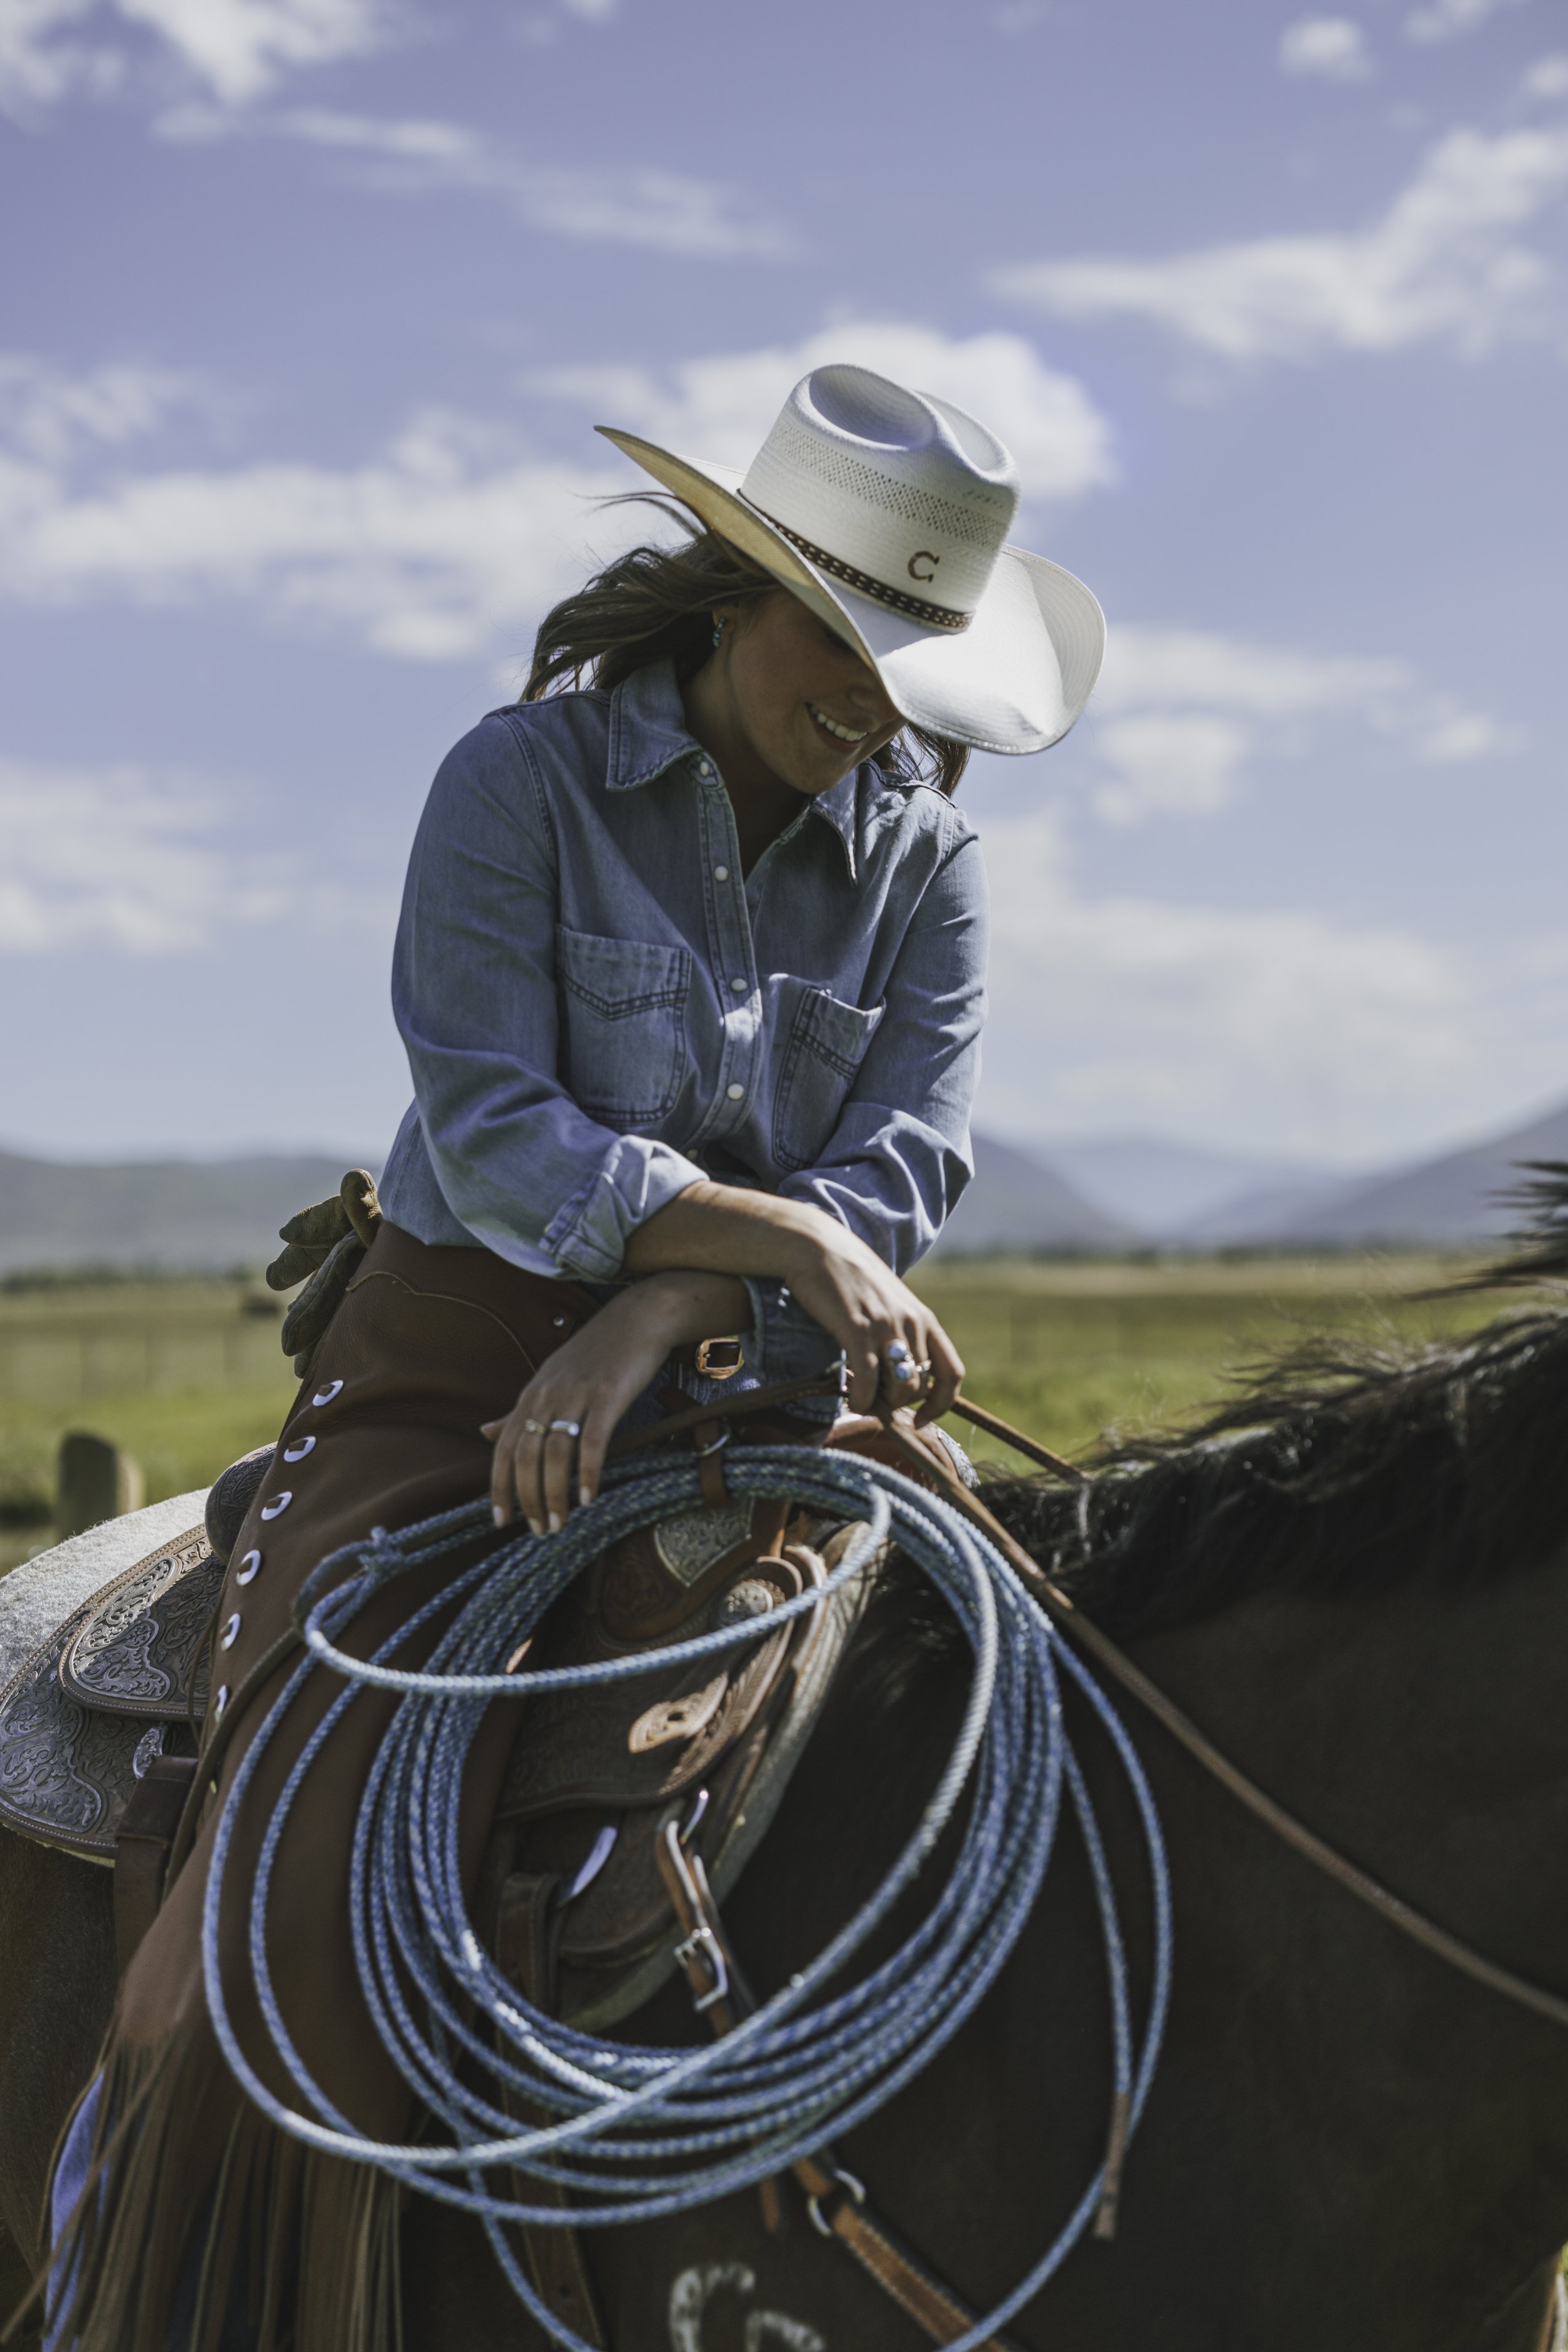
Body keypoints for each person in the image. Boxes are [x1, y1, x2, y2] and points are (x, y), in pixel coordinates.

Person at [51, 362, 1103, 2352]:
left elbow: (905, 1162)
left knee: (1081, 1726)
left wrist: (670, 1301)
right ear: (736, 584)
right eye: (839, 634)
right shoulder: (517, 785)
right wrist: (768, 1232)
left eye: (909, 661)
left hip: (768, 1395)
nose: (870, 699)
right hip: (454, 1386)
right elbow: (492, 1116)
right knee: (262, 1967)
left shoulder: (928, 870)